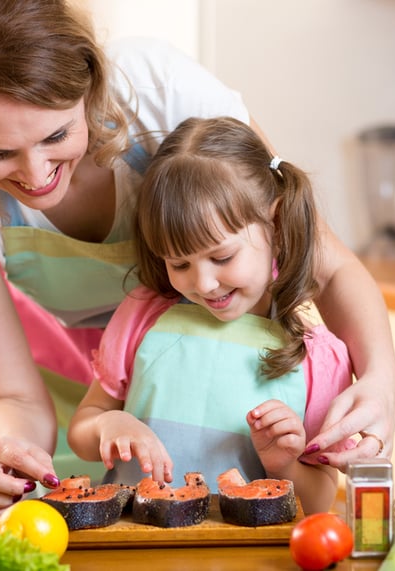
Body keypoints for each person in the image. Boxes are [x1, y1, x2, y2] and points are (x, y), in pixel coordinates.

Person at [0, 0, 395, 522]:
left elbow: (325, 263)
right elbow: (12, 393)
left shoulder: (158, 96)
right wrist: (16, 456)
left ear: (90, 88)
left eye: (57, 135)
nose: (36, 175)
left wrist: (380, 381)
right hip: (91, 402)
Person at [68, 116, 352, 514]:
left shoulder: (316, 357)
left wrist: (284, 462)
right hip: (137, 547)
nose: (203, 283)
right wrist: (105, 425)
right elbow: (83, 426)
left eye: (222, 257)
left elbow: (322, 499)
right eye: (179, 263)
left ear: (276, 221)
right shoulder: (143, 314)